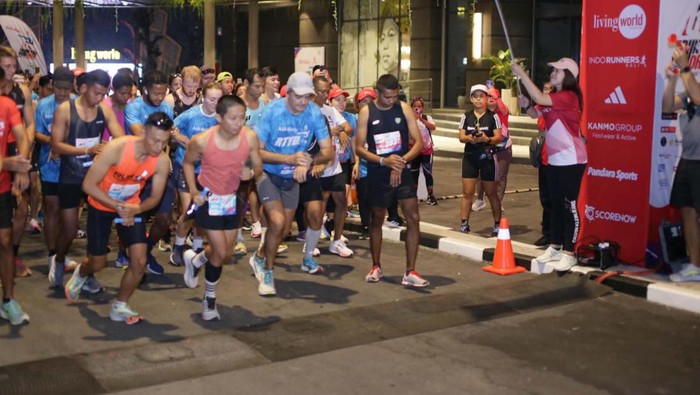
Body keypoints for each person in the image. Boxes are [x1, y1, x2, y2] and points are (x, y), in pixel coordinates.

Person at [64, 112, 171, 324]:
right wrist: (118, 207)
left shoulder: (162, 161)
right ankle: (82, 273)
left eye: (165, 142)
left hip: (130, 206)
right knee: (97, 263)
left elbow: (155, 198)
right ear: (143, 133)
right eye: (155, 140)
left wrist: (135, 209)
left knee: (139, 261)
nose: (159, 147)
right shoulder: (118, 148)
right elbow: (88, 185)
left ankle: (120, 305)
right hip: (102, 203)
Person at [250, 71, 334, 296]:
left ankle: (259, 257)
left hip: (292, 178)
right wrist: (288, 159)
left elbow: (329, 152)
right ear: (288, 93)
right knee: (276, 223)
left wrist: (308, 162)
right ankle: (268, 271)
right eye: (299, 97)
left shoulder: (314, 113)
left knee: (284, 229)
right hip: (267, 173)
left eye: (308, 97)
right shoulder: (272, 112)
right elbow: (256, 152)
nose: (303, 102)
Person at [182, 95, 263, 320]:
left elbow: (258, 165)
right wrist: (194, 191)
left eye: (242, 118)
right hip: (208, 198)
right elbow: (188, 163)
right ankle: (209, 299)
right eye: (234, 118)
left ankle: (195, 260)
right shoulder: (202, 140)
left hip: (231, 199)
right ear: (219, 117)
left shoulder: (250, 137)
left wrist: (251, 171)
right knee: (219, 252)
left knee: (224, 252)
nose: (239, 123)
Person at [50, 69, 125, 290]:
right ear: (83, 89)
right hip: (71, 175)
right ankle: (59, 258)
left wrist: (114, 148)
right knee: (70, 229)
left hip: (95, 176)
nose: (100, 98)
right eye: (96, 93)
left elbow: (120, 137)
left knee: (96, 229)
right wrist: (88, 149)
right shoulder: (65, 110)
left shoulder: (104, 110)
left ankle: (89, 274)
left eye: (103, 94)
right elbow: (56, 145)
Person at [513, 57, 587, 272]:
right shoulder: (554, 97)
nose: (553, 72)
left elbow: (538, 96)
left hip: (572, 159)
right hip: (554, 159)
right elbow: (537, 113)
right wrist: (527, 107)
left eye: (558, 70)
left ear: (569, 76)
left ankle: (570, 252)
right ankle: (555, 246)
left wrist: (521, 74)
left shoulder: (569, 97)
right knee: (555, 205)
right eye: (552, 69)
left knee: (569, 206)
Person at [355, 74, 428, 287]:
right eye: (388, 97)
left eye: (395, 96)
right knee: (377, 218)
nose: (392, 101)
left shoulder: (404, 108)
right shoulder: (366, 112)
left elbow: (419, 143)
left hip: (402, 170)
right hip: (379, 172)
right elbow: (359, 147)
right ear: (377, 92)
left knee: (413, 217)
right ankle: (376, 265)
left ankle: (410, 271)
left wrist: (401, 161)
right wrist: (383, 161)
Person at [124, 70, 175, 275]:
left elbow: (167, 138)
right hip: (136, 168)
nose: (160, 97)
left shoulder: (166, 107)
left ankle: (146, 251)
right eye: (156, 93)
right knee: (135, 216)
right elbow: (140, 134)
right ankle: (129, 253)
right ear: (145, 90)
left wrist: (166, 157)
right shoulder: (134, 107)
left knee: (164, 218)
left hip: (159, 169)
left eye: (163, 93)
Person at [169, 82, 223, 267]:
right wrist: (185, 141)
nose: (214, 103)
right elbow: (171, 128)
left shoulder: (221, 119)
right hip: (186, 166)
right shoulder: (191, 114)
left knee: (202, 213)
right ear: (203, 97)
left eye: (218, 99)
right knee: (189, 212)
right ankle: (178, 246)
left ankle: (198, 247)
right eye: (211, 99)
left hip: (208, 172)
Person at [34, 67, 79, 283]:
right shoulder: (43, 105)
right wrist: (53, 144)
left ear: (72, 87)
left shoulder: (79, 103)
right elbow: (36, 132)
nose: (61, 93)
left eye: (65, 89)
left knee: (68, 213)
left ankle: (63, 252)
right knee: (51, 208)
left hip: (72, 167)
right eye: (57, 89)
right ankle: (52, 254)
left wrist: (63, 146)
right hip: (49, 166)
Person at [662, 47, 700, 282]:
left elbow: (697, 97)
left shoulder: (694, 87)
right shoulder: (690, 85)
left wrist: (685, 67)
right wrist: (673, 77)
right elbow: (667, 107)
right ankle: (695, 266)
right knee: (687, 212)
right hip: (688, 160)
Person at [0, 65, 31, 325]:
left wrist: (21, 164)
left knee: (5, 240)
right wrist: (7, 164)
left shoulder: (7, 105)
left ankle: (8, 300)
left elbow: (22, 136)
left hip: (1, 186)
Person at [1, 46, 35, 277]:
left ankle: (12, 255)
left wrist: (25, 157)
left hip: (20, 153)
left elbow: (29, 124)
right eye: (5, 67)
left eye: (13, 66)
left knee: (22, 206)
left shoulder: (21, 92)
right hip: (5, 155)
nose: (10, 71)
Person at [311, 76, 354, 259]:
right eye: (320, 91)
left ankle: (336, 241)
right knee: (317, 206)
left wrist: (341, 131)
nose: (323, 95)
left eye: (326, 91)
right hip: (317, 165)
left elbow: (348, 127)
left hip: (334, 165)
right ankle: (311, 242)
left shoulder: (330, 110)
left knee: (341, 202)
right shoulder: (308, 110)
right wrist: (333, 131)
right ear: (313, 91)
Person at [457, 84, 503, 236]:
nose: (478, 99)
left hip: (487, 157)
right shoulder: (466, 116)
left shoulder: (492, 117)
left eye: (481, 96)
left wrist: (486, 138)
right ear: (471, 99)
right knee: (467, 192)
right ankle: (464, 223)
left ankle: (497, 225)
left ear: (486, 98)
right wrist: (470, 138)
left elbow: (498, 138)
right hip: (470, 157)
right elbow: (461, 137)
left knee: (491, 193)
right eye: (475, 96)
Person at [524, 81, 554, 247]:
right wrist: (526, 104)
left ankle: (559, 236)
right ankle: (547, 233)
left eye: (550, 89)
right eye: (545, 89)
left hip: (558, 160)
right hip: (544, 159)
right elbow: (533, 113)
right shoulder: (542, 107)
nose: (547, 91)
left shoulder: (560, 105)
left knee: (556, 200)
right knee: (545, 199)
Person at [473, 88, 511, 212]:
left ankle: (498, 202)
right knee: (482, 174)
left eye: (493, 97)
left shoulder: (503, 111)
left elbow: (503, 108)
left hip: (503, 148)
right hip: (487, 146)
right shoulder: (482, 113)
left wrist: (496, 97)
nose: (490, 98)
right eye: (488, 96)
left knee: (501, 176)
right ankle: (479, 200)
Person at [242, 68, 267, 239]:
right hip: (241, 155)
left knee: (260, 189)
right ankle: (237, 237)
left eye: (262, 86)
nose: (260, 90)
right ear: (246, 84)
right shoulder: (238, 104)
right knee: (241, 193)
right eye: (257, 86)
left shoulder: (264, 103)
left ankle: (260, 225)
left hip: (260, 153)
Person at [352, 88, 376, 237]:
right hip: (362, 165)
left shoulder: (380, 118)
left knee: (377, 197)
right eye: (363, 101)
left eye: (370, 100)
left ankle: (375, 224)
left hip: (378, 164)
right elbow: (355, 143)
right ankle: (366, 225)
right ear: (358, 104)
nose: (367, 104)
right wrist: (356, 163)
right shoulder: (354, 119)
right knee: (364, 197)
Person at [409, 96, 437, 206]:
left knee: (428, 173)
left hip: (427, 150)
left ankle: (430, 195)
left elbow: (433, 127)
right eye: (414, 106)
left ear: (423, 108)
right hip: (414, 151)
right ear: (411, 108)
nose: (417, 108)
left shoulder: (426, 117)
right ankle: (413, 196)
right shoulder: (409, 120)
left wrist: (422, 120)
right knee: (413, 174)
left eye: (419, 106)